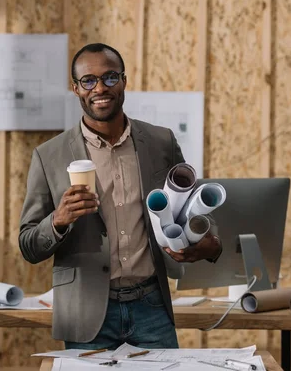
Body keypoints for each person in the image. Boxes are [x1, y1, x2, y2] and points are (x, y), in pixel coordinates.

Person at [18, 43, 222, 350]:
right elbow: (28, 245)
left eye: (110, 77)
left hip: (151, 307)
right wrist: (58, 221)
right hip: (87, 312)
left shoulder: (160, 141)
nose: (100, 87)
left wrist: (209, 242)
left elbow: (190, 209)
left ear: (124, 81)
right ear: (76, 89)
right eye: (89, 80)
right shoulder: (49, 156)